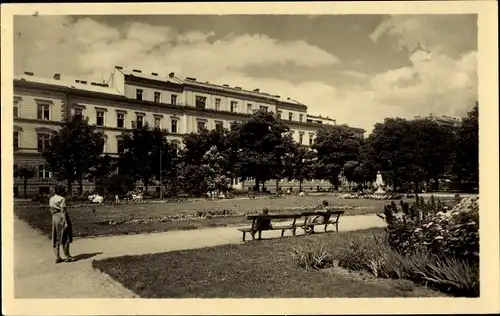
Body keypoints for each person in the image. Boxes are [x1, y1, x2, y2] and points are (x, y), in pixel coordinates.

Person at [49, 185, 76, 263]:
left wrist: (55, 217)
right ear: (61, 191)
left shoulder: (52, 198)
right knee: (65, 236)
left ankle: (57, 257)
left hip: (54, 218)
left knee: (56, 236)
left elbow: (51, 210)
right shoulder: (62, 199)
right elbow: (63, 211)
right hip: (61, 217)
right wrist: (65, 221)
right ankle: (67, 256)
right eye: (64, 190)